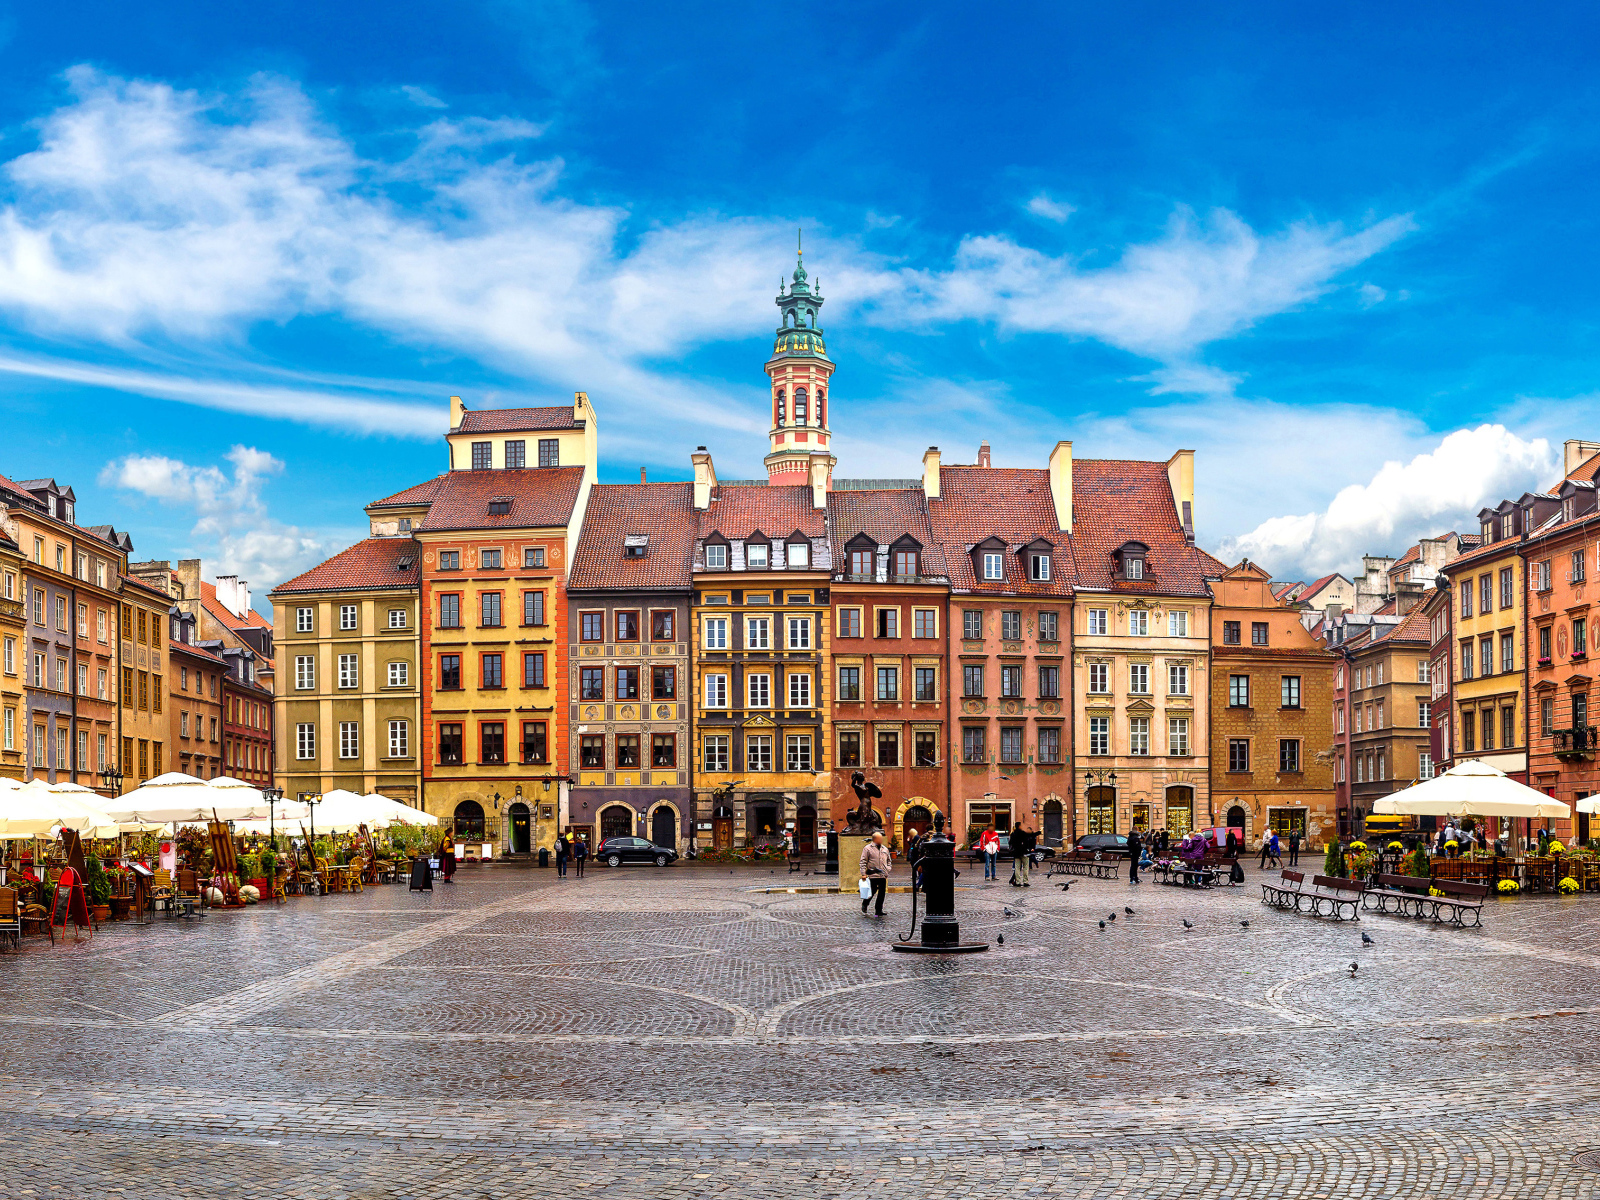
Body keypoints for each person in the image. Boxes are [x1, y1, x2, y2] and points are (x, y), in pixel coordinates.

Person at [860, 830, 891, 917]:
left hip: (883, 875)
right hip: (872, 874)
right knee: (872, 891)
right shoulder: (867, 848)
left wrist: (888, 869)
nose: (880, 840)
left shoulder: (885, 849)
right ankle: (865, 903)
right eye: (879, 838)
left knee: (882, 893)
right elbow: (863, 861)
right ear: (874, 839)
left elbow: (889, 861)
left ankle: (878, 910)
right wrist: (863, 873)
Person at [1010, 821, 1037, 887]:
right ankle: (1025, 881)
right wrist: (1039, 832)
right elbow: (1030, 836)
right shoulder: (1022, 833)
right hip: (1024, 852)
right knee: (1025, 867)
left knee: (1017, 868)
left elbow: (1010, 843)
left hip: (1016, 853)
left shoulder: (1013, 834)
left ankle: (1018, 882)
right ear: (1019, 826)